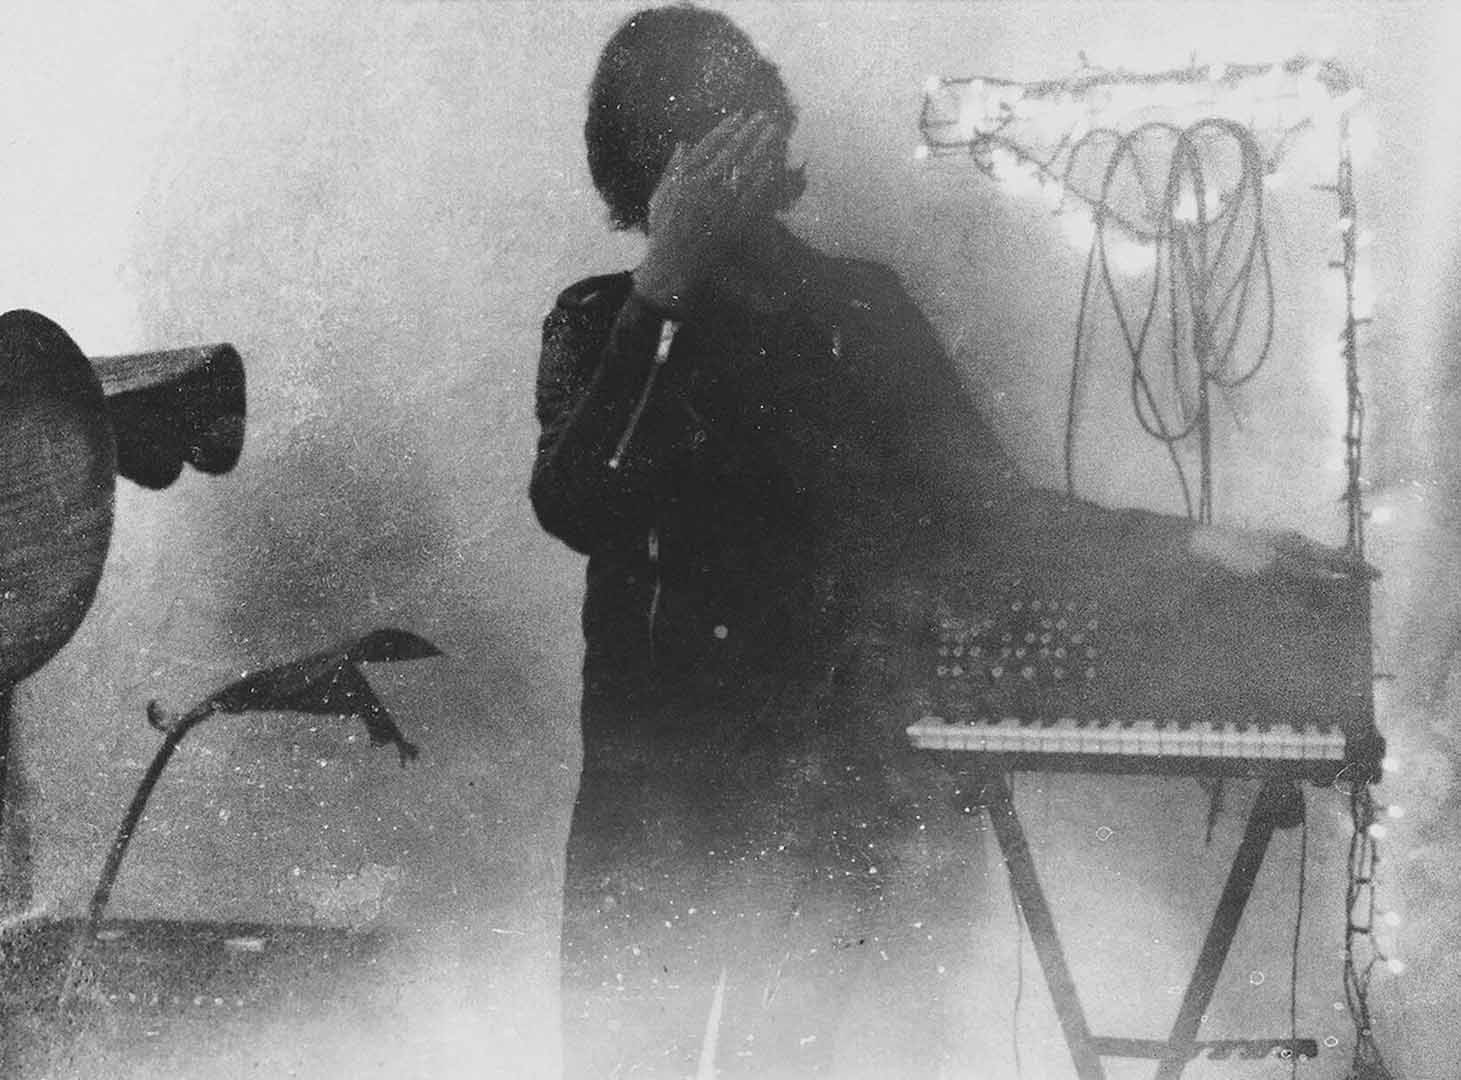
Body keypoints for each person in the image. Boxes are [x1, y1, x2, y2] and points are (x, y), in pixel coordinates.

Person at [529, 6, 1370, 1076]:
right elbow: (576, 506)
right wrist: (664, 288)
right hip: (649, 799)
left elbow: (987, 514)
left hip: (818, 792)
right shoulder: (601, 319)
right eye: (681, 155)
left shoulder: (857, 310)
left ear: (768, 139)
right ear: (642, 174)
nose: (715, 178)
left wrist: (1193, 546)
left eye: (732, 138)